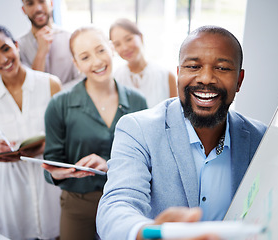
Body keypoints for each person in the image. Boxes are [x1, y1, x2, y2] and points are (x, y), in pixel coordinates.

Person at [96, 25, 267, 240]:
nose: (206, 78)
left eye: (222, 68)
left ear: (239, 80)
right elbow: (116, 206)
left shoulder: (261, 138)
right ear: (179, 74)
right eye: (193, 66)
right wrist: (152, 233)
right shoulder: (137, 130)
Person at [41, 25, 148, 240]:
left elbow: (146, 159)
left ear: (111, 48)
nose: (97, 62)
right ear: (76, 64)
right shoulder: (59, 105)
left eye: (100, 50)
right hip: (78, 203)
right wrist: (58, 172)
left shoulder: (138, 101)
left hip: (127, 202)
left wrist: (110, 163)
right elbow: (50, 163)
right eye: (85, 57)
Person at [0, 24, 62, 240]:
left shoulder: (50, 83)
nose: (3, 59)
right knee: (16, 232)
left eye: (5, 48)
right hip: (10, 179)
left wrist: (43, 145)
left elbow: (63, 134)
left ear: (16, 45)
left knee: (58, 230)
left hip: (48, 172)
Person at [109, 18, 178, 107]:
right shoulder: (115, 78)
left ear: (140, 37)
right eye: (117, 44)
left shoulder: (166, 76)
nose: (124, 48)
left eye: (128, 39)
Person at [18, 0, 80, 89]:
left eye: (42, 1)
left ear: (51, 4)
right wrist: (41, 52)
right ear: (24, 10)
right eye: (30, 3)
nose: (38, 8)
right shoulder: (19, 47)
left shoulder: (70, 38)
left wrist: (56, 95)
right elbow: (30, 87)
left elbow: (81, 79)